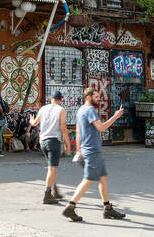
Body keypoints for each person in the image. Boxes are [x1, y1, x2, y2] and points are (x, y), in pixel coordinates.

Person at [62, 88, 126, 221]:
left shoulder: (80, 110)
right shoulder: (90, 110)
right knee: (88, 179)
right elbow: (101, 127)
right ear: (88, 97)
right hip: (92, 151)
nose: (99, 99)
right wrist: (116, 116)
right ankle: (70, 207)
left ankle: (107, 208)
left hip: (88, 150)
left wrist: (79, 149)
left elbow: (78, 131)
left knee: (103, 178)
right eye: (96, 97)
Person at [29, 90, 72, 205]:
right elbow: (63, 128)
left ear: (51, 98)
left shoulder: (43, 108)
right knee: (52, 169)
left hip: (43, 141)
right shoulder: (61, 110)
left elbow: (34, 123)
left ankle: (55, 191)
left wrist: (31, 120)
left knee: (52, 167)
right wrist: (68, 144)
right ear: (61, 99)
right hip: (53, 141)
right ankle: (47, 194)